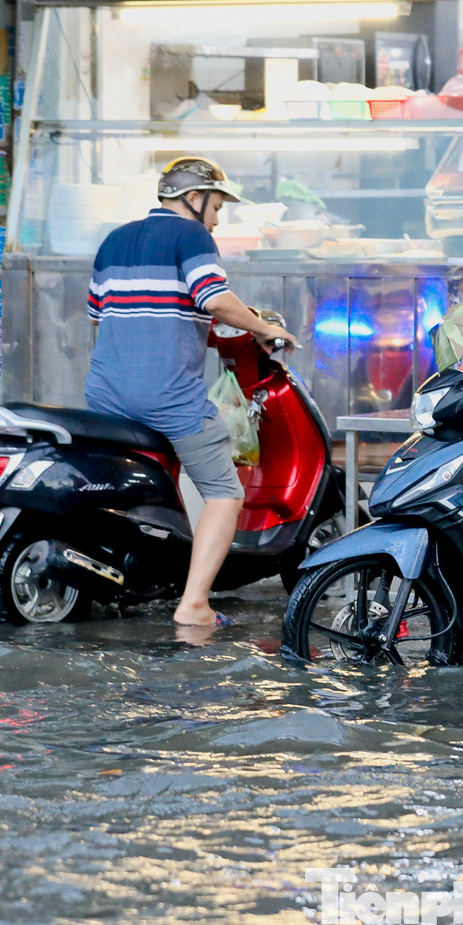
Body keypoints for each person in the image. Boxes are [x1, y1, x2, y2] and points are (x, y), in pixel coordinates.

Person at [85, 157, 298, 628]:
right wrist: (263, 327)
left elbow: (101, 315)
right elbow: (213, 298)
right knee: (224, 493)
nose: (217, 219)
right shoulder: (192, 236)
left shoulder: (114, 240)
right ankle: (195, 604)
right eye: (217, 206)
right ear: (194, 198)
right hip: (166, 398)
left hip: (104, 397)